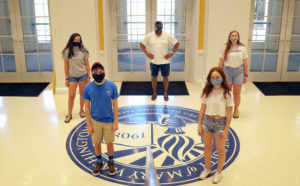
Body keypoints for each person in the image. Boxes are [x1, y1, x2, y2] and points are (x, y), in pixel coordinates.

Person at [198, 67, 233, 184]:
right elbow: (202, 109)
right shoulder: (207, 91)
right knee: (207, 147)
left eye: (217, 77)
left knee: (220, 149)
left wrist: (226, 129)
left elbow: (229, 113)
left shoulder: (227, 93)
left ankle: (218, 172)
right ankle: (207, 169)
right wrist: (199, 125)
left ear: (222, 78)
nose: (215, 79)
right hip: (207, 122)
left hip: (220, 124)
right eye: (212, 77)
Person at [83, 62, 119, 176]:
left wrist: (115, 122)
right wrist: (89, 124)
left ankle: (111, 162)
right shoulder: (88, 87)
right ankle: (99, 162)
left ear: (104, 71)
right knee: (97, 143)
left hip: (109, 120)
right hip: (95, 121)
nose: (98, 72)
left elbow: (115, 104)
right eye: (95, 71)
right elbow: (87, 107)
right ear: (92, 73)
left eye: (100, 70)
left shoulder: (111, 86)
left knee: (109, 143)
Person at [140, 21, 180, 101]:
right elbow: (141, 44)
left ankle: (165, 93)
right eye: (157, 26)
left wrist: (171, 53)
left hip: (165, 61)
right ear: (154, 27)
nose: (158, 28)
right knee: (154, 77)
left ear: (162, 27)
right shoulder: (150, 35)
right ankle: (154, 93)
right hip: (154, 61)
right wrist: (147, 54)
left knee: (165, 77)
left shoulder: (167, 35)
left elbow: (177, 43)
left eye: (160, 26)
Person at [218, 30, 248, 118]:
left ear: (238, 37)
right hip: (227, 71)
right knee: (227, 92)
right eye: (232, 35)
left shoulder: (242, 48)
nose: (234, 37)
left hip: (239, 72)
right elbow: (221, 61)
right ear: (229, 37)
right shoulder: (225, 47)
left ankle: (236, 110)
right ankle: (226, 109)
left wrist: (246, 75)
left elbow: (245, 62)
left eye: (235, 35)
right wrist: (219, 74)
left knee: (236, 93)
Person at [62, 33, 91, 123]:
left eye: (78, 40)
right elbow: (66, 66)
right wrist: (66, 78)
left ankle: (81, 111)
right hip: (72, 77)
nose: (77, 41)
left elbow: (87, 64)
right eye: (75, 40)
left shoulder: (83, 50)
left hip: (83, 75)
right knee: (71, 96)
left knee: (82, 95)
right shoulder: (67, 51)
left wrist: (89, 77)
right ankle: (69, 114)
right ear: (72, 40)